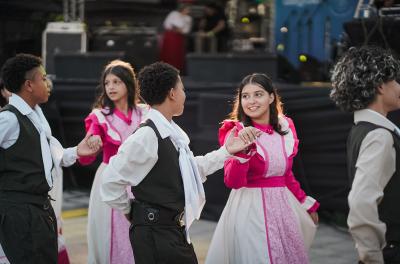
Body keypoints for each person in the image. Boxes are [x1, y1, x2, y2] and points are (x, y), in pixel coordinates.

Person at [101, 61, 251, 264]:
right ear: (172, 93)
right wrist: (132, 212)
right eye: (182, 88)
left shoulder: (171, 133)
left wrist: (226, 151)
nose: (185, 94)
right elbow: (110, 181)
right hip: (155, 233)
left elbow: (190, 171)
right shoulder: (147, 135)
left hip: (171, 231)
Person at [206, 73, 320, 264]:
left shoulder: (285, 127)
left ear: (271, 97)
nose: (251, 101)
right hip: (250, 209)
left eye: (258, 94)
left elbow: (285, 174)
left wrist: (304, 202)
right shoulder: (235, 131)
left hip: (283, 208)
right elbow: (233, 181)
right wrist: (243, 151)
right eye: (245, 96)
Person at [0, 53, 100, 264]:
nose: (48, 83)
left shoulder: (36, 116)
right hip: (19, 211)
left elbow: (52, 154)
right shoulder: (9, 119)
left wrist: (76, 151)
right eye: (43, 78)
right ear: (29, 85)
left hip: (38, 209)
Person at [330, 46, 400, 264]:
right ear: (380, 85)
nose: (399, 86)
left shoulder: (363, 128)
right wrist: (372, 257)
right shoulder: (379, 135)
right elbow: (361, 201)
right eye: (395, 80)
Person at [79, 59, 148, 264]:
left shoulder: (145, 113)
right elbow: (90, 143)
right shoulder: (99, 116)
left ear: (128, 83)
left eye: (116, 82)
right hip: (111, 178)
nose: (111, 87)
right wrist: (92, 140)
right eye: (107, 83)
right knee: (112, 234)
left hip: (140, 179)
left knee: (139, 233)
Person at [160, 4, 192, 72]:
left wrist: (180, 30)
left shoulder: (188, 18)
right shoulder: (173, 14)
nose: (188, 11)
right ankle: (165, 68)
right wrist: (173, 28)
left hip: (179, 37)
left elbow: (187, 30)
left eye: (189, 9)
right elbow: (166, 24)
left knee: (177, 53)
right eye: (187, 9)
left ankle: (177, 69)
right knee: (168, 52)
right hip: (170, 36)